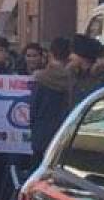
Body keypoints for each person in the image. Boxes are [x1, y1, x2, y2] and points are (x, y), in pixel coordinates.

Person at [29, 37, 74, 170]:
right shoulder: (73, 78)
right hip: (65, 133)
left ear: (50, 53)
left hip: (41, 133)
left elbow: (33, 108)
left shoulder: (41, 78)